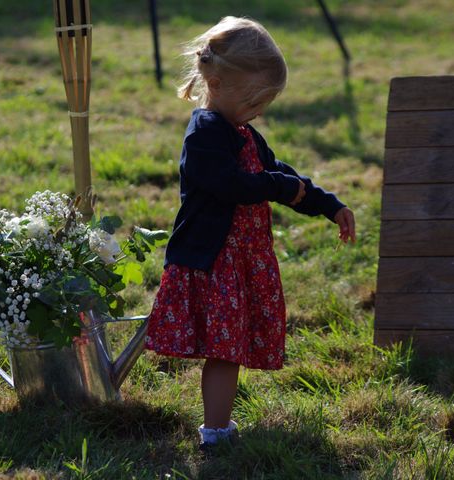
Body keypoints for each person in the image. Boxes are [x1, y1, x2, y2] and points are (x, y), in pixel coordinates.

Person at [143, 16, 356, 454]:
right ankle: (215, 432)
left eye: (265, 103)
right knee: (223, 350)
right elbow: (233, 184)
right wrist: (280, 187)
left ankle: (219, 426)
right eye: (253, 100)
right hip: (215, 261)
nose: (259, 111)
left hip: (241, 260)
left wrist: (328, 205)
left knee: (231, 348)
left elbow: (279, 174)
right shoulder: (203, 135)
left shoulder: (243, 131)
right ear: (217, 83)